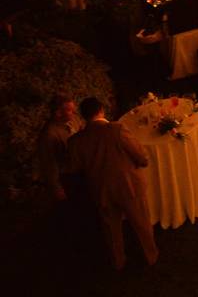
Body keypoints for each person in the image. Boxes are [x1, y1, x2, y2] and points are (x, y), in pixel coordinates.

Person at [67, 97, 158, 269]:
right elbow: (140, 155)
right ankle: (149, 256)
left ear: (83, 116)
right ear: (101, 110)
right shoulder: (116, 129)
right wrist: (142, 162)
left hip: (101, 189)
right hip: (128, 186)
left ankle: (118, 261)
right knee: (141, 224)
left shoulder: (76, 141)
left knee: (111, 229)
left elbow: (74, 167)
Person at [37, 95, 81, 201]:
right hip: (67, 178)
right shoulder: (49, 134)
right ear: (58, 113)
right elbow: (49, 163)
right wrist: (57, 188)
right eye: (70, 110)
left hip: (80, 172)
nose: (74, 113)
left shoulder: (74, 121)